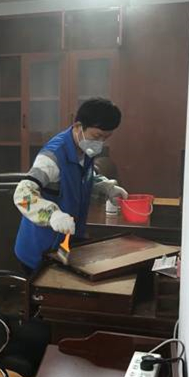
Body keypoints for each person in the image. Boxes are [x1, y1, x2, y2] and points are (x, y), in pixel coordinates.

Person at [13, 98, 129, 272]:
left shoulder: (85, 149)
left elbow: (81, 177)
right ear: (78, 126)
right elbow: (22, 196)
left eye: (105, 138)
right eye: (97, 136)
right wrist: (52, 215)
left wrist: (106, 187)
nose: (100, 143)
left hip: (65, 243)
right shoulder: (53, 157)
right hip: (40, 249)